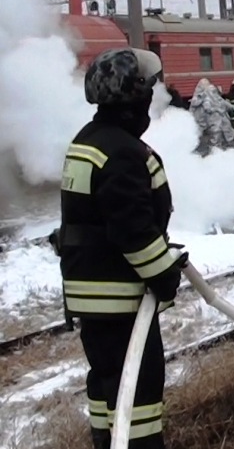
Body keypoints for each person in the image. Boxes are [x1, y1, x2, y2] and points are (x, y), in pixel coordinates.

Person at [52, 47, 187, 449]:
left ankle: (107, 441)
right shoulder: (124, 152)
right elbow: (133, 232)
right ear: (135, 98)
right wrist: (164, 275)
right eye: (147, 91)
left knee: (106, 379)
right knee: (139, 389)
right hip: (120, 296)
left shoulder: (88, 141)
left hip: (90, 293)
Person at [189, 79, 234, 153]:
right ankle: (215, 151)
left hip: (221, 119)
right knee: (215, 134)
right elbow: (202, 105)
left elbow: (222, 102)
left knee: (225, 133)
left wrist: (232, 107)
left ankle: (225, 148)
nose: (213, 92)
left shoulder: (215, 98)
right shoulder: (201, 98)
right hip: (211, 121)